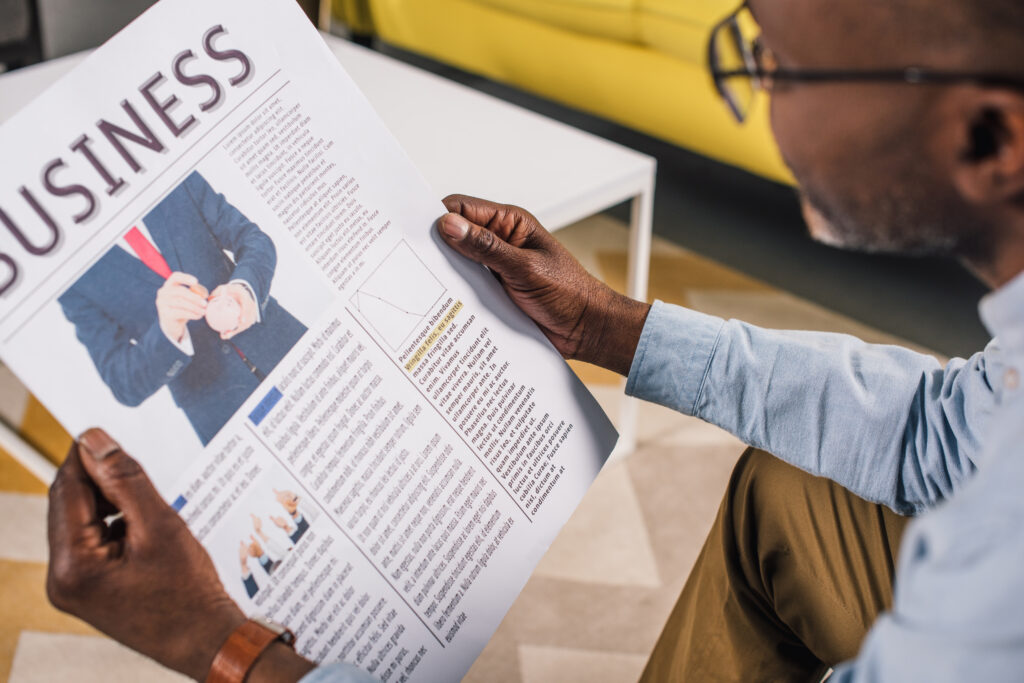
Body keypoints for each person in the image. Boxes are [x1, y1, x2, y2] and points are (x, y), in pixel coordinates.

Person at [44, 0, 1024, 680]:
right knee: (797, 489)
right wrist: (607, 322)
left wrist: (226, 646)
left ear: (991, 140)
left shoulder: (989, 593)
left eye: (783, 66)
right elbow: (951, 429)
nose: (762, 103)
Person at [58, 170, 307, 446]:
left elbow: (253, 240)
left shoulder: (167, 173)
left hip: (287, 347)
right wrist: (166, 332)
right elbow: (123, 384)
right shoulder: (71, 281)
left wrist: (244, 289)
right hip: (222, 412)